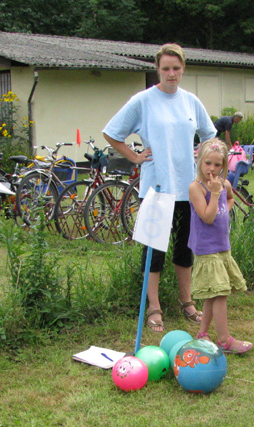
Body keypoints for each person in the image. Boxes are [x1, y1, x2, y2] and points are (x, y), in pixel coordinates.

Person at [103, 43, 217, 333]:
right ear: (158, 69)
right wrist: (135, 156)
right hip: (156, 188)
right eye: (166, 68)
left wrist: (203, 159)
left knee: (185, 247)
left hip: (188, 189)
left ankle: (186, 301)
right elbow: (112, 133)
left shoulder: (191, 101)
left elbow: (209, 135)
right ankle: (153, 306)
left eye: (176, 68)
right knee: (154, 250)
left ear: (183, 69)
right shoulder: (143, 101)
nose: (171, 73)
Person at [188, 139, 253, 354]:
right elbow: (207, 217)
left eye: (218, 165)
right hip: (206, 248)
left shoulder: (224, 185)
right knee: (220, 293)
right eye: (208, 163)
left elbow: (230, 198)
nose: (212, 169)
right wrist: (215, 194)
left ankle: (202, 333)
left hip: (222, 246)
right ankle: (224, 339)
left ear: (224, 165)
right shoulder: (196, 188)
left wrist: (223, 203)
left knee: (214, 293)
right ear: (200, 161)